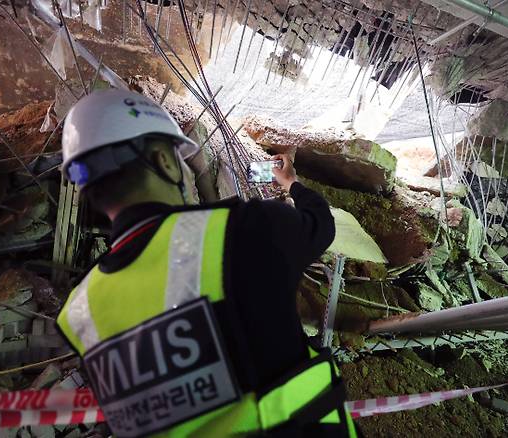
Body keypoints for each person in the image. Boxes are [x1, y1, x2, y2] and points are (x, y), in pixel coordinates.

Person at [56, 89, 357, 438]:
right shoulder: (243, 229)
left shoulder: (78, 314)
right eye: (181, 162)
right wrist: (291, 183)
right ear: (164, 161)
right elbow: (321, 224)